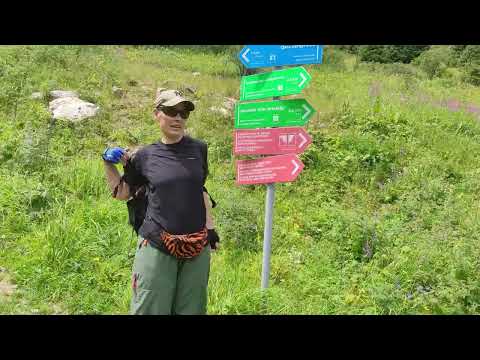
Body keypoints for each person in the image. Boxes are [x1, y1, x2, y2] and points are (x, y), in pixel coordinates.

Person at [102, 88, 220, 315]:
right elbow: (122, 193)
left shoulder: (199, 149)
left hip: (197, 248)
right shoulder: (145, 156)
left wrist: (211, 229)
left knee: (192, 310)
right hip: (157, 245)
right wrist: (108, 163)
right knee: (151, 309)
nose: (178, 117)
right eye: (171, 111)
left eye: (183, 113)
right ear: (157, 114)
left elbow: (200, 190)